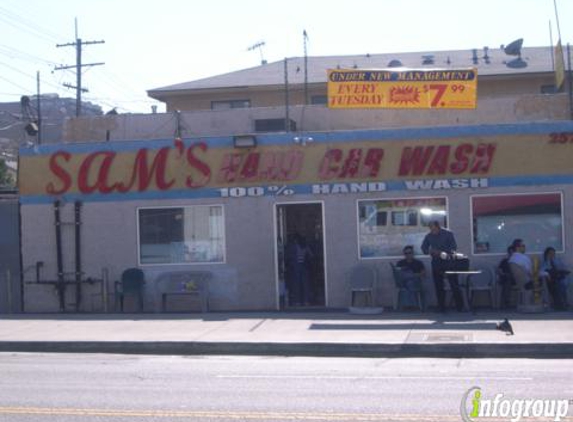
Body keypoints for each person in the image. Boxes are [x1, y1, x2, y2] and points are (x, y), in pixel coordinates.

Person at [421, 221, 464, 312]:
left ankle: (460, 307)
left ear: (438, 227)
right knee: (438, 286)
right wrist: (431, 251)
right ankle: (441, 307)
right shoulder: (429, 236)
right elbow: (424, 249)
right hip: (436, 263)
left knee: (454, 285)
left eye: (434, 229)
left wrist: (441, 252)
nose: (433, 231)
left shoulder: (448, 234)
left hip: (449, 263)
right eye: (431, 229)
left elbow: (453, 248)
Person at [285, 233, 313, 306]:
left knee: (296, 284)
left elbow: (289, 256)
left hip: (296, 267)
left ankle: (297, 301)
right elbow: (311, 255)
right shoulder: (305, 247)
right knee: (305, 284)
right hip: (304, 267)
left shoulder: (294, 247)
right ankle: (306, 301)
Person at [396, 245, 426, 309]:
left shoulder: (418, 263)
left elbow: (423, 273)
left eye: (409, 253)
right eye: (406, 253)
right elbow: (397, 274)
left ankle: (409, 305)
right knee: (407, 281)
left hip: (415, 281)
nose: (408, 255)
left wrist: (414, 275)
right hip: (403, 282)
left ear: (412, 253)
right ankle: (412, 304)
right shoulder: (400, 263)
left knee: (410, 283)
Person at [540, 246, 570, 310]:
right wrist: (548, 261)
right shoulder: (544, 262)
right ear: (547, 254)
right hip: (552, 280)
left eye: (553, 253)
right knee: (558, 286)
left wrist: (563, 270)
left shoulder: (557, 260)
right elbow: (542, 270)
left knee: (563, 284)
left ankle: (564, 303)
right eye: (550, 253)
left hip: (560, 276)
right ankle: (561, 304)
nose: (552, 255)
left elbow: (564, 267)